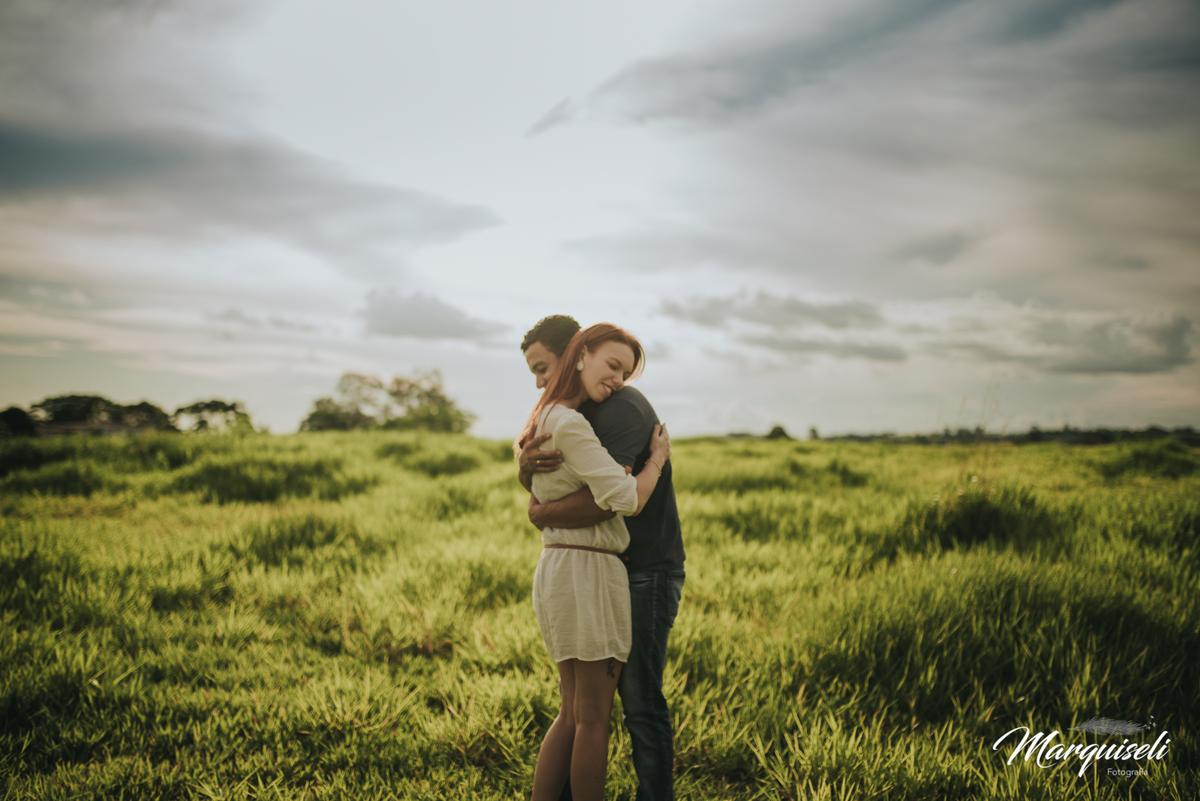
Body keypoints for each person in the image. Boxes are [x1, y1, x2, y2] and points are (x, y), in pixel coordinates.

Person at [518, 316, 686, 801]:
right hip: (590, 566)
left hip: (641, 568)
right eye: (612, 367)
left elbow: (601, 498)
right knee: (591, 714)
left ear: (572, 354)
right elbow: (609, 493)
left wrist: (539, 509)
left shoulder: (618, 410)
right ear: (583, 354)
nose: (540, 382)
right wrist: (531, 485)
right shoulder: (569, 414)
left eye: (542, 367)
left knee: (626, 705)